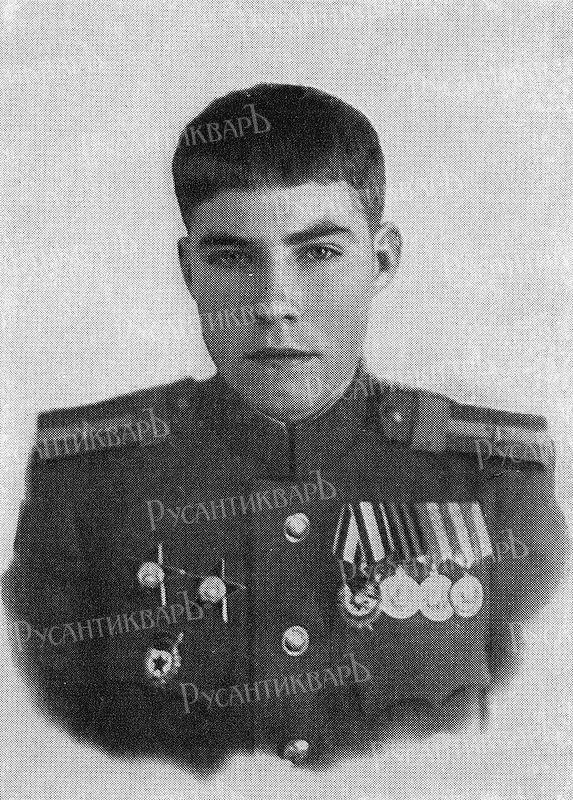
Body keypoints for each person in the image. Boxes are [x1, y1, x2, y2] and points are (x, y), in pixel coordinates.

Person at [2, 83, 568, 771]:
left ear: (382, 260)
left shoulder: (493, 477)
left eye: (319, 253)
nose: (274, 302)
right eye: (232, 257)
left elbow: (532, 747)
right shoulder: (85, 481)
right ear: (189, 270)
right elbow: (38, 751)